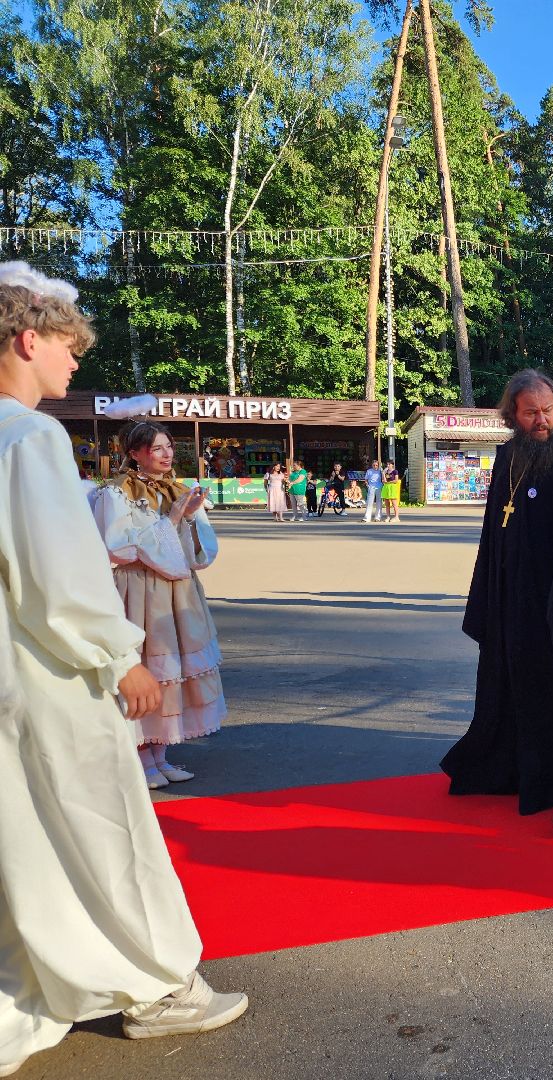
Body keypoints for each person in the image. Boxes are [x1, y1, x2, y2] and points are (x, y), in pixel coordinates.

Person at [0, 263, 247, 1078]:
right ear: (28, 339)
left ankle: (45, 965)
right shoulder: (29, 437)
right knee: (106, 820)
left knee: (27, 833)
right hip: (52, 670)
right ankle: (153, 985)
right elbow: (63, 576)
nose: (74, 365)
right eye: (68, 347)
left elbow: (189, 556)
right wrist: (119, 655)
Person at [440, 369, 553, 815]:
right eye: (531, 413)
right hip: (509, 601)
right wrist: (488, 594)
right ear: (512, 415)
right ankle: (508, 766)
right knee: (507, 685)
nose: (542, 420)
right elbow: (493, 532)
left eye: (548, 410)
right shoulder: (508, 457)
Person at [91, 420, 227, 789]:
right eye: (156, 448)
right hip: (139, 587)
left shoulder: (180, 489)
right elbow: (117, 545)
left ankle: (160, 755)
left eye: (169, 447)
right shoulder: (117, 492)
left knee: (174, 671)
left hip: (176, 591)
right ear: (134, 453)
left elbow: (199, 554)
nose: (166, 455)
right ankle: (141, 758)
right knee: (148, 668)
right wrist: (173, 518)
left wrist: (190, 518)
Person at [363, 458, 383, 523]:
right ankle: (367, 518)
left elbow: (384, 478)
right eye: (374, 465)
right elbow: (366, 479)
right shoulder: (369, 471)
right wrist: (367, 485)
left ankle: (378, 517)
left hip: (379, 487)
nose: (375, 466)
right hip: (371, 487)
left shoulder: (380, 471)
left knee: (379, 502)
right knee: (369, 503)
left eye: (376, 465)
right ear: (372, 465)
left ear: (378, 465)